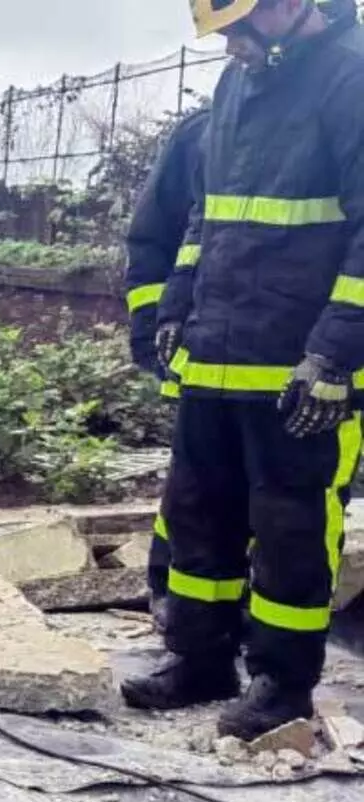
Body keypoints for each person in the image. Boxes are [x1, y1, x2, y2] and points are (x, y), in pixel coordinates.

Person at [120, 0, 364, 740]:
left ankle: (283, 685)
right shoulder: (237, 90)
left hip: (301, 374)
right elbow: (207, 221)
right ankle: (199, 659)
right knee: (198, 514)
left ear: (290, 5)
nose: (228, 43)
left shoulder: (350, 83)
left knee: (291, 527)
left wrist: (333, 352)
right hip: (217, 358)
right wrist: (174, 308)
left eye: (236, 26)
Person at [123, 105, 211, 630]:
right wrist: (150, 328)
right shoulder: (203, 131)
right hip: (208, 351)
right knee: (194, 486)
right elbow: (153, 237)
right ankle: (175, 600)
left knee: (286, 506)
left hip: (304, 358)